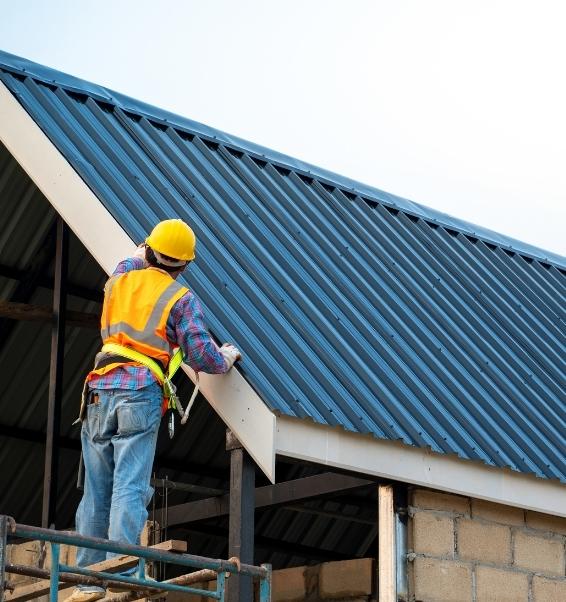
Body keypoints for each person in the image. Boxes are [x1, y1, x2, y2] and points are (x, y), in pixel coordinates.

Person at [69, 219, 240, 602]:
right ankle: (122, 572)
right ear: (184, 266)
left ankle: (85, 581)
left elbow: (128, 263)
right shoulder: (180, 298)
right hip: (139, 392)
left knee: (95, 490)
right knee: (129, 486)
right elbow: (200, 354)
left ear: (147, 251)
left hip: (98, 388)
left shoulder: (118, 281)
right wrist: (224, 358)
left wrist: (142, 251)